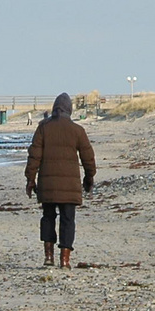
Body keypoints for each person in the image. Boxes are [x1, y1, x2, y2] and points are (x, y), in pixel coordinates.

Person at [25, 92, 96, 268]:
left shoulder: (43, 128)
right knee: (68, 220)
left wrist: (30, 179)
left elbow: (34, 155)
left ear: (54, 109)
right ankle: (65, 260)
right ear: (70, 110)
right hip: (70, 186)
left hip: (47, 184)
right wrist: (89, 178)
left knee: (48, 218)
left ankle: (49, 257)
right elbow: (88, 157)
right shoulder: (77, 130)